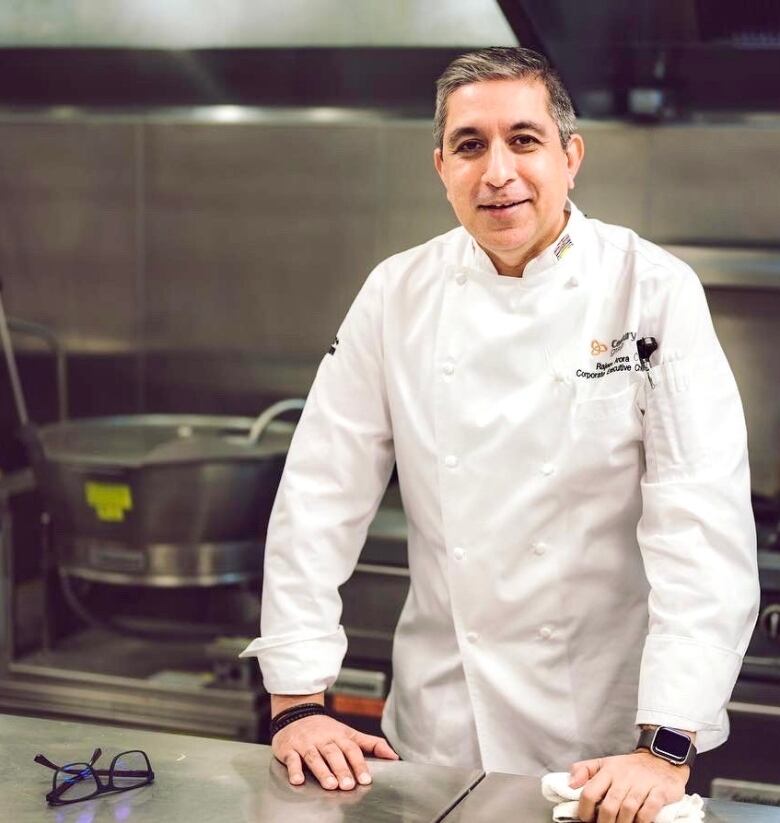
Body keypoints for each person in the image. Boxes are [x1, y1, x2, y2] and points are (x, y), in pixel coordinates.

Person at [239, 47, 759, 823]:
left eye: (524, 139)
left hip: (607, 749)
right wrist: (296, 699)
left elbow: (700, 525)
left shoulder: (650, 291)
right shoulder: (397, 292)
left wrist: (667, 744)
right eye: (471, 145)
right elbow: (319, 492)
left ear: (569, 156)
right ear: (441, 165)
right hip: (438, 729)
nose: (498, 172)